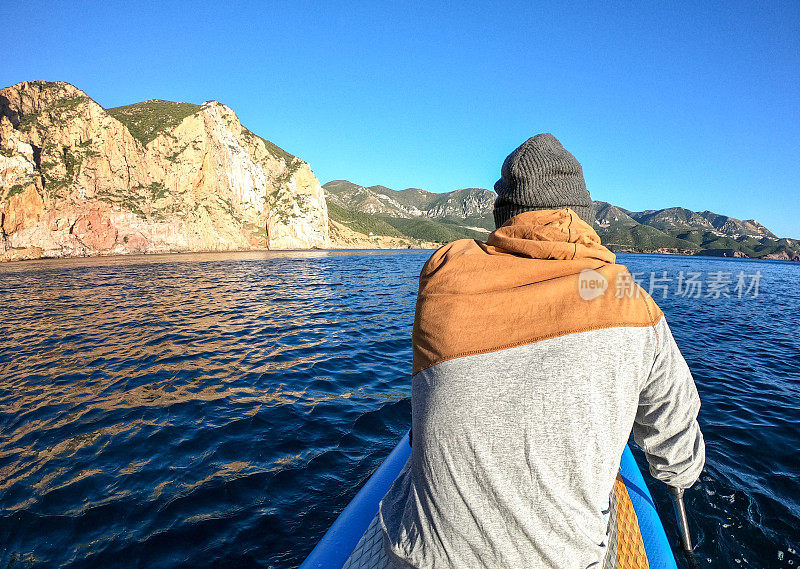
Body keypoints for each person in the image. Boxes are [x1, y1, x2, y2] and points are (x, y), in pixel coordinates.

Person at [378, 133, 705, 568]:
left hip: (424, 558)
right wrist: (678, 475)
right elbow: (674, 434)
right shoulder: (630, 299)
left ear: (504, 217)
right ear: (585, 218)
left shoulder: (442, 275)